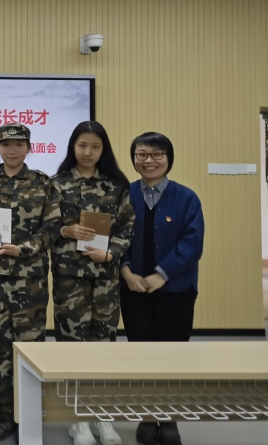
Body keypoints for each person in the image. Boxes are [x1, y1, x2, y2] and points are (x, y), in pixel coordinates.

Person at [51, 121, 135, 445]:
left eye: (95, 147)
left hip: (105, 279)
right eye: (82, 145)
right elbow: (45, 225)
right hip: (69, 279)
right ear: (73, 146)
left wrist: (110, 253)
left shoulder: (116, 185)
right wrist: (66, 230)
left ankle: (102, 416)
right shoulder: (57, 184)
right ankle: (78, 420)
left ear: (103, 150)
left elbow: (127, 226)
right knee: (72, 347)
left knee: (103, 346)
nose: (88, 152)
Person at [0, 123, 60, 443]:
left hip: (30, 280)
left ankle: (29, 414)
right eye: (6, 144)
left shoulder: (43, 183)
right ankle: (5, 415)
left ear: (29, 148)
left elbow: (52, 228)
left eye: (19, 144)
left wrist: (22, 249)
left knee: (30, 349)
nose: (12, 150)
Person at [121, 132, 204, 445]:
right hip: (133, 290)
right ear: (134, 159)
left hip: (176, 291)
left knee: (173, 356)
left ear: (168, 159)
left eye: (157, 154)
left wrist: (161, 275)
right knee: (142, 355)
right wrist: (125, 271)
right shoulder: (123, 194)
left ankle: (169, 418)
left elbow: (192, 244)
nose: (149, 161)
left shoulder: (187, 198)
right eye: (142, 154)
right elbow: (113, 237)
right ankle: (146, 417)